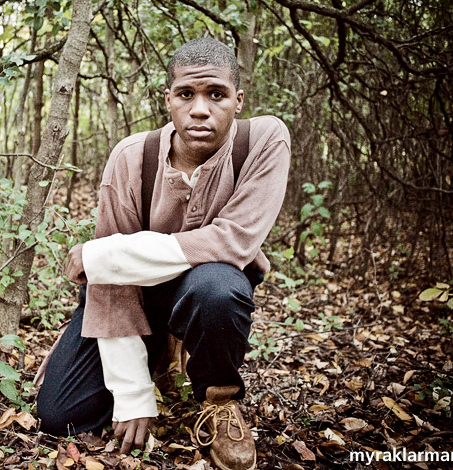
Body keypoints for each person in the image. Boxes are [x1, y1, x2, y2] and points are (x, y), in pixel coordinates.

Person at [36, 37, 290, 470]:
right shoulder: (133, 156)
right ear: (168, 99)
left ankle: (219, 398)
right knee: (60, 415)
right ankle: (158, 351)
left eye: (216, 95)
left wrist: (105, 254)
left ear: (238, 100)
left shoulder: (264, 140)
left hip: (206, 290)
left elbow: (234, 242)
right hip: (131, 294)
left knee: (217, 284)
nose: (200, 109)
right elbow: (112, 283)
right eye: (186, 94)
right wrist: (133, 393)